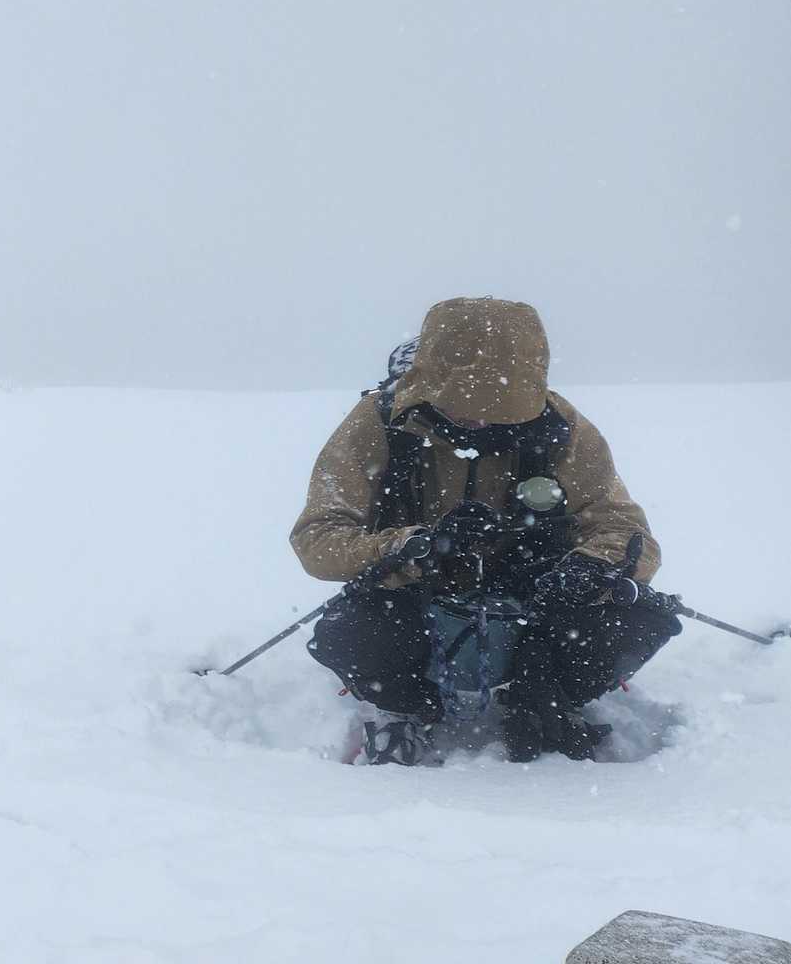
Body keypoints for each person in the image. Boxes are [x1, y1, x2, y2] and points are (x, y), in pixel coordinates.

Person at [291, 297, 679, 765]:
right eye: (462, 408)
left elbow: (626, 530)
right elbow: (318, 537)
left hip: (536, 595)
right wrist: (412, 546)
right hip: (415, 592)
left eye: (498, 410)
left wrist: (590, 568)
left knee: (636, 621)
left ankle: (541, 696)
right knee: (352, 636)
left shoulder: (562, 428)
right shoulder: (380, 423)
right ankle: (407, 707)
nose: (478, 421)